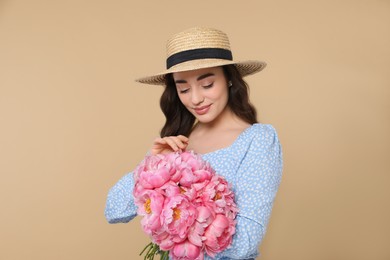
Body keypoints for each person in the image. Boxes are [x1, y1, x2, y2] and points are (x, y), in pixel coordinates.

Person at [105, 27, 283, 260]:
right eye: (184, 89)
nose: (196, 98)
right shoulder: (180, 142)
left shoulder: (257, 140)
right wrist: (153, 165)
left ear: (229, 79)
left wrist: (182, 224)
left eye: (207, 84)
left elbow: (244, 242)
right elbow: (114, 210)